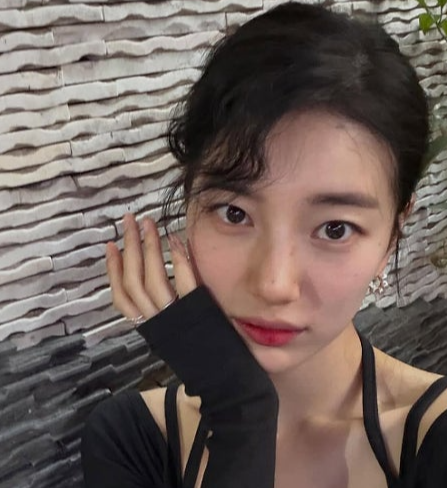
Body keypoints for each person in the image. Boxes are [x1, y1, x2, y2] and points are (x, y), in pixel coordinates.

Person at [81, 2, 447, 487]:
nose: (274, 284)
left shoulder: (432, 439)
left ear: (392, 236)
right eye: (235, 214)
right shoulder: (134, 441)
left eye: (335, 229)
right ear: (188, 206)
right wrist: (241, 412)